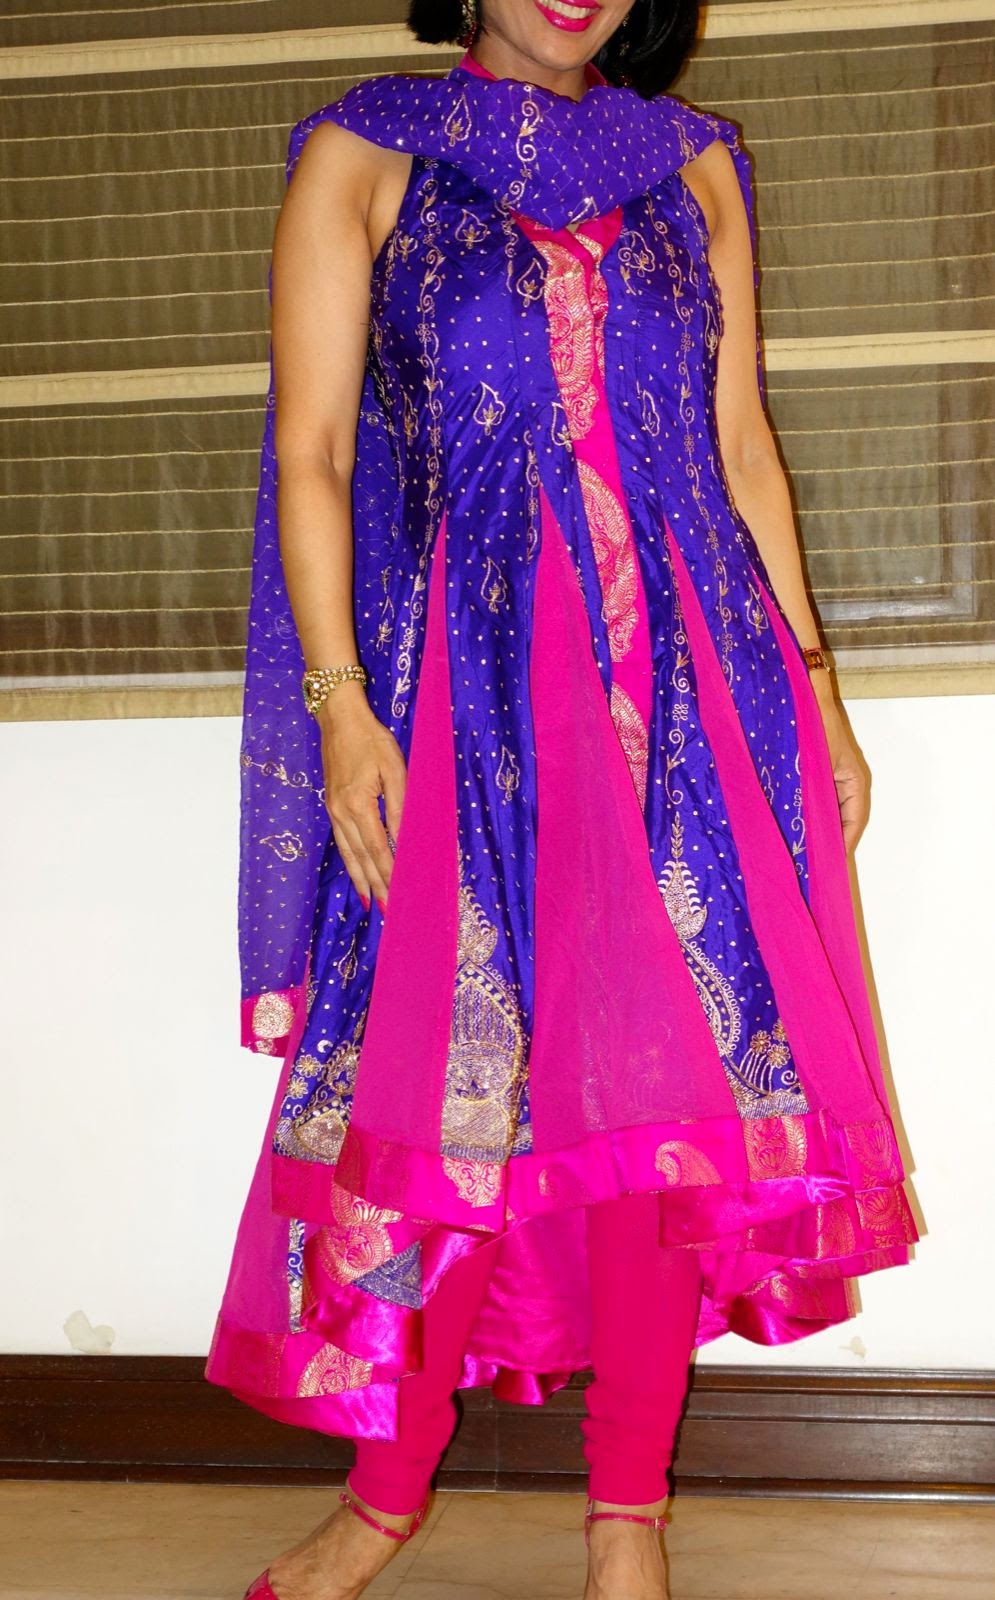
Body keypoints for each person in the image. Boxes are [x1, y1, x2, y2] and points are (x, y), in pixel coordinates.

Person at [205, 3, 920, 1597]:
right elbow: (313, 452)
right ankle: (383, 1502)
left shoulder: (695, 164)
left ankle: (628, 1521)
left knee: (666, 1109)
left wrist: (817, 691)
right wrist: (340, 709)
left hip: (689, 693)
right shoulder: (367, 154)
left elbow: (741, 449)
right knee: (448, 1095)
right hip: (465, 695)